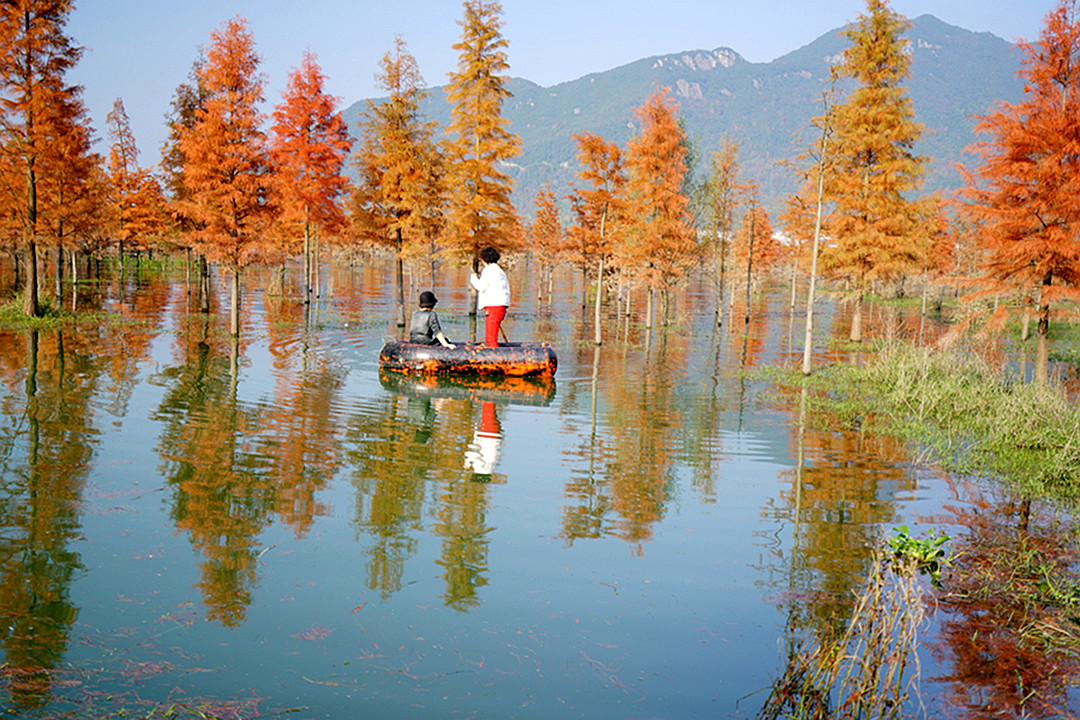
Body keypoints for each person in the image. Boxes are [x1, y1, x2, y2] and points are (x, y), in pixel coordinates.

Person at [469, 246, 510, 347]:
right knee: (489, 337)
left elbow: (481, 287)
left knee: (490, 339)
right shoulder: (499, 270)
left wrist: (473, 278)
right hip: (499, 306)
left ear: (484, 259)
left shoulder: (489, 270)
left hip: (494, 307)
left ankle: (495, 359)